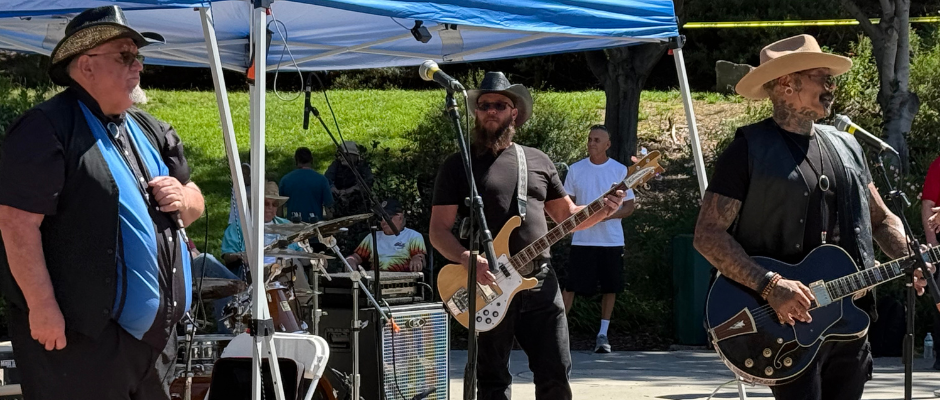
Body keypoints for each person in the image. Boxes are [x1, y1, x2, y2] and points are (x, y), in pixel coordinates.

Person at [693, 34, 932, 400]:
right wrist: (771, 286)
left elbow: (882, 220)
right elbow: (708, 235)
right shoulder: (748, 149)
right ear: (788, 84)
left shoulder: (847, 146)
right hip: (782, 325)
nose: (831, 87)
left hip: (848, 320)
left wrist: (909, 255)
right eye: (823, 78)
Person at [0, 6, 205, 399]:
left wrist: (184, 199)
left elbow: (193, 200)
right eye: (125, 56)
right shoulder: (46, 128)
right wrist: (42, 307)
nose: (138, 66)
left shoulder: (151, 128)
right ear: (85, 66)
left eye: (138, 57)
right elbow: (15, 223)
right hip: (80, 342)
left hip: (155, 345)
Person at [429, 71, 625, 400]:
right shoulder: (458, 165)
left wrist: (605, 207)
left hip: (540, 281)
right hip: (487, 284)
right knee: (492, 382)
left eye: (500, 105)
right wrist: (465, 257)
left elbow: (568, 218)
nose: (491, 110)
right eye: (485, 104)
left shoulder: (537, 160)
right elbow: (438, 230)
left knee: (556, 374)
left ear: (514, 112)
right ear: (476, 112)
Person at [561, 124, 636, 353]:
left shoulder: (620, 170)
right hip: (582, 240)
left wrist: (604, 216)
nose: (592, 143)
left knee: (609, 287)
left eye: (597, 140)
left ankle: (602, 335)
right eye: (590, 139)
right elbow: (568, 207)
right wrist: (583, 218)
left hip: (611, 241)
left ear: (608, 145)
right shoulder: (575, 169)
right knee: (571, 286)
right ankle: (558, 334)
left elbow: (630, 206)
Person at [345, 198, 426, 272]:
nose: (383, 221)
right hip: (375, 280)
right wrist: (351, 260)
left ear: (400, 218)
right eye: (381, 218)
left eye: (388, 217)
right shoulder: (372, 237)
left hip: (403, 279)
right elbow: (357, 256)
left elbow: (419, 256)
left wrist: (417, 259)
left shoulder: (413, 236)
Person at [280, 147, 333, 223]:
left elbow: (279, 208)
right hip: (314, 225)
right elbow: (329, 209)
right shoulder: (322, 180)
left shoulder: (285, 180)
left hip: (293, 226)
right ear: (312, 160)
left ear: (296, 160)